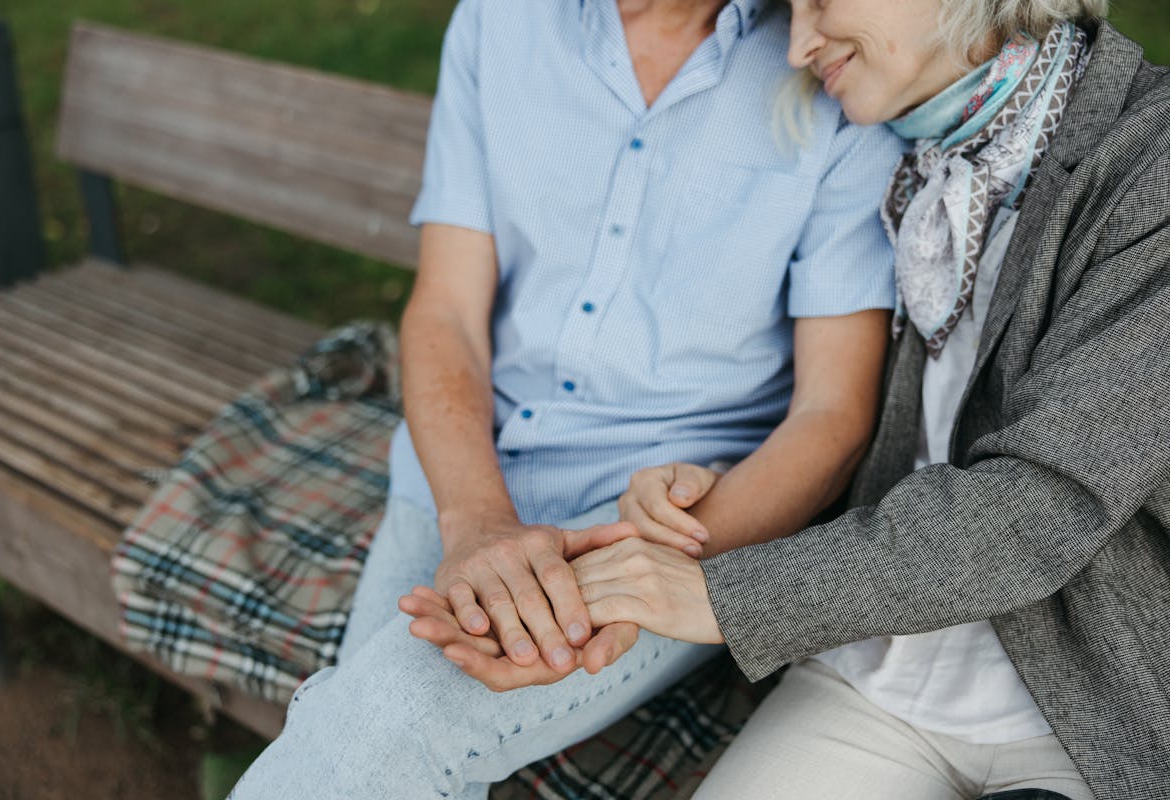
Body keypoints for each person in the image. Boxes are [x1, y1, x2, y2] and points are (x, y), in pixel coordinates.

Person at [419, 1, 1169, 797]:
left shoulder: (1145, 164)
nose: (798, 43)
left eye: (818, 0)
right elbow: (844, 415)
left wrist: (721, 595)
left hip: (1088, 688)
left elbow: (1039, 503)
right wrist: (696, 490)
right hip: (875, 663)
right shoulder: (908, 154)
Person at [229, 1, 905, 797]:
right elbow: (447, 308)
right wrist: (476, 521)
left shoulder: (832, 58)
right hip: (462, 466)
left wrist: (648, 568)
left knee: (384, 725)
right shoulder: (497, 20)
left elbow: (833, 417)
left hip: (661, 515)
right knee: (365, 733)